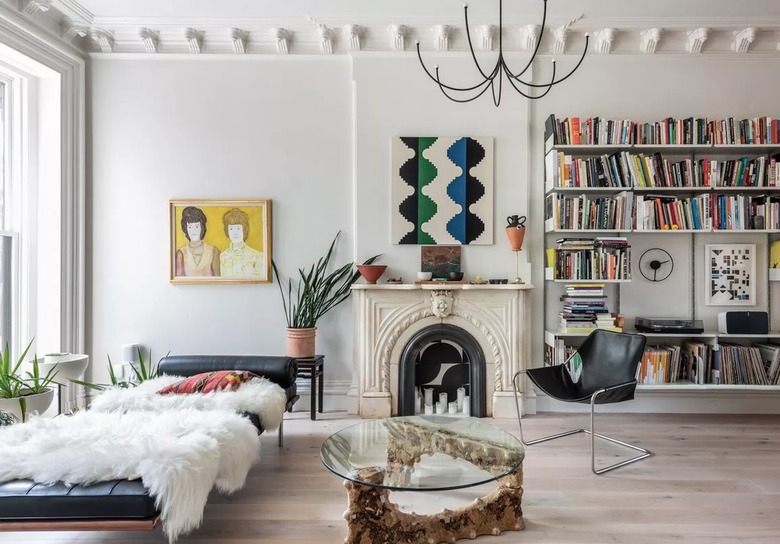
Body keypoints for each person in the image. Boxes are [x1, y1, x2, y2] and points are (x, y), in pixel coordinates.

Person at [220, 208, 265, 279]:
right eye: (231, 228)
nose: (235, 232)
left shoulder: (257, 256)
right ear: (227, 230)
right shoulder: (223, 256)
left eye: (238, 228)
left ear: (244, 229)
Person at [175, 206, 220, 276]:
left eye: (196, 226)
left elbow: (218, 280)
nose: (193, 231)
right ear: (185, 229)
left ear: (202, 228)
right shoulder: (180, 253)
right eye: (190, 227)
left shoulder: (214, 251)